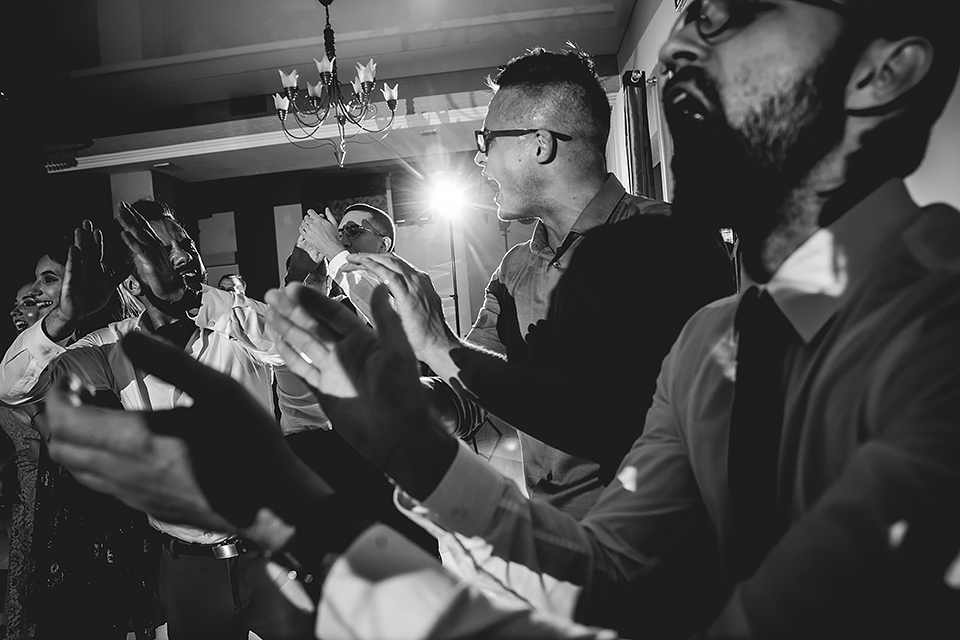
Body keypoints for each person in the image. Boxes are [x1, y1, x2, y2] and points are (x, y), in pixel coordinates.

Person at [38, 0, 960, 637]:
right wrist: (397, 405)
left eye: (733, 14)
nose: (685, 37)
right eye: (691, 15)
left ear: (885, 72)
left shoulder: (901, 323)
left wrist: (307, 493)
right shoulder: (694, 339)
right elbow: (603, 571)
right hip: (560, 530)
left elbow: (605, 439)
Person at [340, 47, 735, 517]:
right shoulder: (514, 269)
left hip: (661, 537)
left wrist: (438, 342)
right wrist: (399, 396)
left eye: (487, 140)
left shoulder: (671, 241)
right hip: (557, 534)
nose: (480, 159)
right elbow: (469, 398)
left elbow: (625, 419)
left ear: (540, 144)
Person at [0, 202, 316, 640]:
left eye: (185, 244)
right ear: (131, 282)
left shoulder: (235, 322)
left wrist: (191, 301)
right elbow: (15, 388)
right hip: (187, 567)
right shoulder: (109, 348)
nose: (183, 256)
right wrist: (62, 319)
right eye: (161, 251)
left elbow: (297, 346)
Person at [296, 203, 395, 326]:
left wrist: (332, 249)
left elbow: (395, 322)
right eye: (340, 235)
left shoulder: (407, 293)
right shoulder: (340, 306)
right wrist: (311, 278)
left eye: (353, 232)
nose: (342, 242)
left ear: (383, 245)